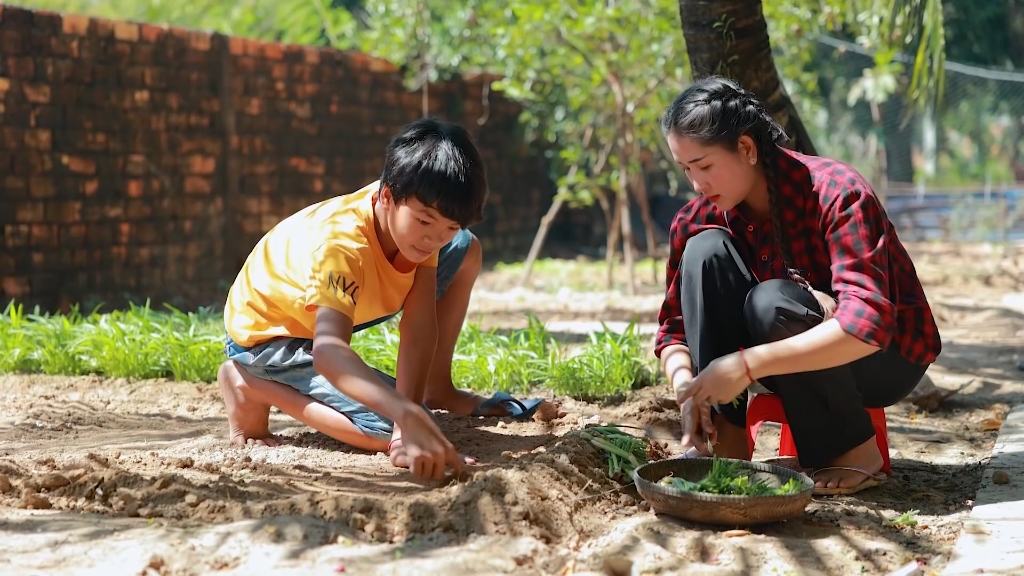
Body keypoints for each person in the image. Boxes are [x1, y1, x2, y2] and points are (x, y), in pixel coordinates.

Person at [655, 77, 941, 495]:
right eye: (686, 170)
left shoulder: (836, 191)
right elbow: (674, 330)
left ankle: (855, 450)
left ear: (747, 149)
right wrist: (688, 389)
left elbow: (869, 324)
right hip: (781, 357)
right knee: (705, 251)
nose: (697, 184)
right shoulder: (696, 220)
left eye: (704, 166)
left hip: (883, 359)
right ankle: (728, 443)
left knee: (771, 303)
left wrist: (747, 365)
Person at [217, 117, 544, 480]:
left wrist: (413, 413)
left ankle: (439, 389)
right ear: (387, 196)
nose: (435, 238)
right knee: (383, 429)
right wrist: (404, 419)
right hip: (268, 333)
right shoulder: (341, 246)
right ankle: (248, 381)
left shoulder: (419, 218)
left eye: (449, 227)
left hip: (323, 309)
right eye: (425, 222)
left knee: (464, 250)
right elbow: (329, 351)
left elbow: (418, 326)